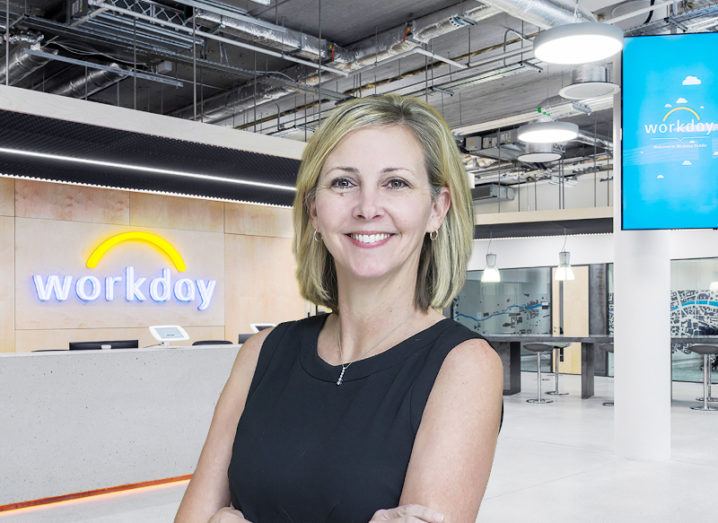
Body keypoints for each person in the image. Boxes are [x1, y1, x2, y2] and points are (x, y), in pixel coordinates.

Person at [175, 94, 503, 523]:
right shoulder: (261, 353)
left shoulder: (463, 366)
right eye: (343, 183)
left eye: (396, 183)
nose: (367, 208)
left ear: (437, 210)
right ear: (314, 210)